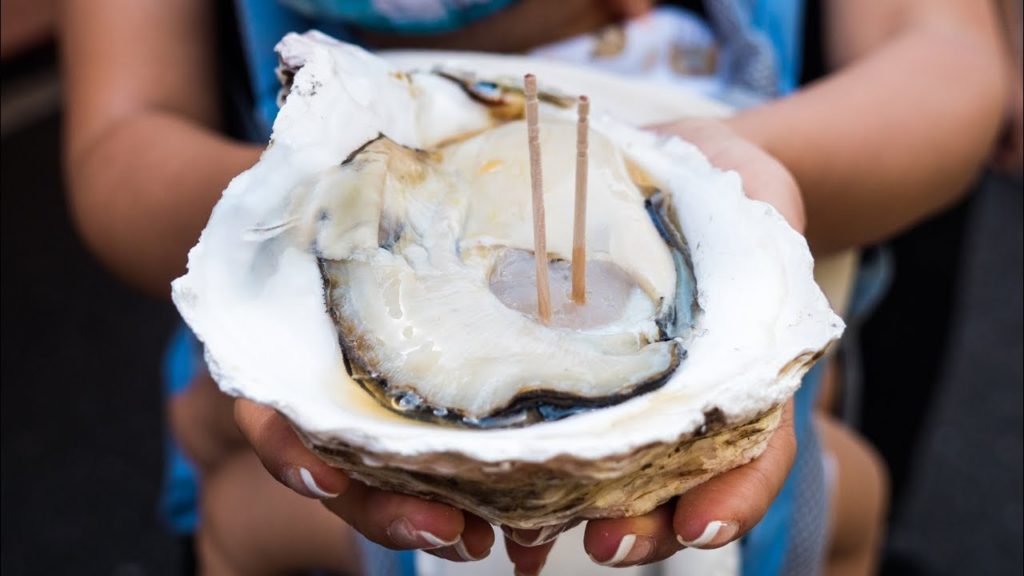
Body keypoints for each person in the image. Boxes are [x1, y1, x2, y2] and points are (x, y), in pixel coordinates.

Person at [61, 1, 1010, 575]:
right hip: (312, 470)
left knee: (842, 498)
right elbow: (121, 135)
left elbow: (949, 62)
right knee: (239, 511)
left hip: (744, 418)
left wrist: (737, 184)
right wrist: (274, 227)